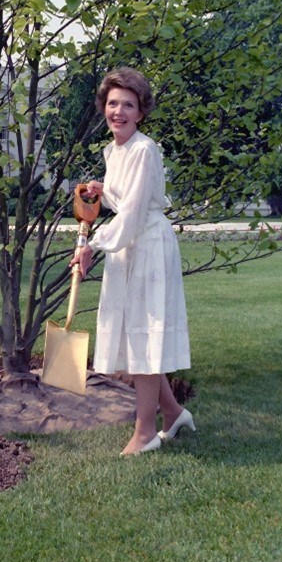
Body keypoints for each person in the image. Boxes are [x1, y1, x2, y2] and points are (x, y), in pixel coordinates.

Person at [70, 67, 195, 456]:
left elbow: (138, 210)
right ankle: (173, 414)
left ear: (141, 112)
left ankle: (144, 433)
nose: (118, 112)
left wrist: (95, 244)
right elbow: (125, 200)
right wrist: (102, 191)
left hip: (147, 246)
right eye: (112, 104)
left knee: (144, 333)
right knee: (134, 333)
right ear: (103, 108)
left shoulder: (144, 148)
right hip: (129, 243)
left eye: (128, 105)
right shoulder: (116, 150)